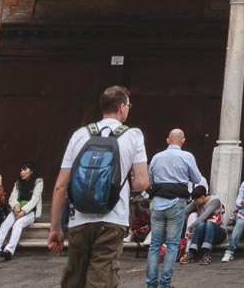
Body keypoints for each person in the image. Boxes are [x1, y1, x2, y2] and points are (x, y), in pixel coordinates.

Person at [48, 85, 150, 288]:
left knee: (74, 277)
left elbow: (60, 185)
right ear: (122, 107)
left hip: (78, 218)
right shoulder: (133, 136)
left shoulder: (79, 134)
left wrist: (55, 227)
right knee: (102, 278)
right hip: (112, 218)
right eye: (129, 105)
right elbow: (142, 182)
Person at [145, 128, 205, 288]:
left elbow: (150, 180)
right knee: (172, 245)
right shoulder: (187, 156)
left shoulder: (157, 157)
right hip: (176, 202)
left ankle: (151, 283)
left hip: (158, 202)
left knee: (155, 245)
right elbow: (197, 178)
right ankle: (165, 284)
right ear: (183, 141)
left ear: (167, 140)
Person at [0, 162, 42, 261]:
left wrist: (23, 211)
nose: (22, 172)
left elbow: (35, 199)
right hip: (16, 210)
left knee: (18, 224)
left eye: (25, 170)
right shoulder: (18, 183)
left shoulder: (38, 182)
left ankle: (8, 251)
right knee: (6, 223)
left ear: (31, 171)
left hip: (30, 212)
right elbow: (13, 197)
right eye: (21, 170)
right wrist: (16, 206)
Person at [183, 188, 225, 262]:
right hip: (204, 233)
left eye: (196, 200)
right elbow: (184, 210)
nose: (195, 202)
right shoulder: (197, 203)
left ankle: (206, 253)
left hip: (218, 232)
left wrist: (190, 227)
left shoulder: (215, 201)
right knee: (201, 224)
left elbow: (204, 216)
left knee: (208, 223)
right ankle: (192, 252)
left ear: (202, 197)